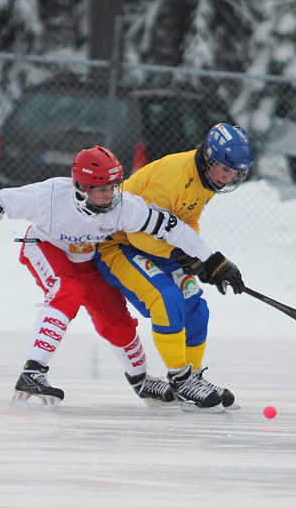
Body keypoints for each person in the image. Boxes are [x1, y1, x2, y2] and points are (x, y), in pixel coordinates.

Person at [0, 145, 216, 408]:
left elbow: (172, 229)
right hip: (45, 246)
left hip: (85, 259)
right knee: (67, 290)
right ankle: (33, 371)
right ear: (81, 187)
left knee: (115, 317)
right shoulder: (48, 197)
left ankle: (140, 380)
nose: (110, 196)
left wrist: (211, 259)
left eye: (113, 187)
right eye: (101, 190)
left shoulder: (124, 206)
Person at [95, 123, 252, 413]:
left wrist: (201, 259)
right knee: (167, 300)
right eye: (225, 169)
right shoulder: (173, 176)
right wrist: (184, 254)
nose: (229, 177)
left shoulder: (208, 180)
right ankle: (180, 381)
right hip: (118, 244)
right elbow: (137, 232)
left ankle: (192, 376)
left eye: (234, 173)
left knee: (195, 304)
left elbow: (187, 221)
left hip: (155, 244)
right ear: (208, 157)